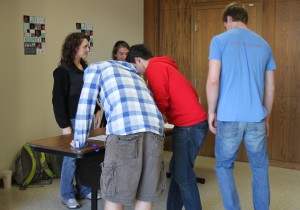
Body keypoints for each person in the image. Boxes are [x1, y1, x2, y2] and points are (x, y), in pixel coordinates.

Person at [206, 3, 276, 210]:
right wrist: (267, 118)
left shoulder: (219, 40)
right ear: (244, 19)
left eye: (224, 24)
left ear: (228, 19)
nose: (225, 28)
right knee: (260, 168)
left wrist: (211, 111)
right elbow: (270, 87)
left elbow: (213, 80)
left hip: (228, 116)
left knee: (224, 166)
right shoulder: (264, 44)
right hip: (256, 118)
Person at [73, 60, 166, 210]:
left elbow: (85, 106)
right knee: (145, 195)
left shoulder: (95, 69)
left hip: (124, 131)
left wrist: (79, 142)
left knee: (115, 195)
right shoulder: (134, 74)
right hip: (154, 129)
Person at [126, 44, 208, 210]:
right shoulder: (164, 66)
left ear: (138, 60)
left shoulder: (154, 69)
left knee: (183, 175)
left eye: (135, 67)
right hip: (192, 124)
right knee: (177, 169)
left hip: (189, 126)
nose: (137, 72)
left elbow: (161, 100)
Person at [52, 32, 101, 209]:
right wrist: (65, 126)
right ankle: (66, 194)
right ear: (75, 48)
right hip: (72, 121)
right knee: (71, 159)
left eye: (88, 46)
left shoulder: (86, 69)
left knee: (85, 156)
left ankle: (85, 189)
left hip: (86, 118)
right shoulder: (62, 72)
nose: (88, 49)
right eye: (85, 46)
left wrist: (97, 110)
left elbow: (88, 94)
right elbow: (57, 101)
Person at [97, 40, 131, 128]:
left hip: (128, 110)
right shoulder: (109, 68)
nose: (124, 57)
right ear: (115, 54)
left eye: (127, 54)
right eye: (121, 54)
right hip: (113, 110)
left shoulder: (132, 70)